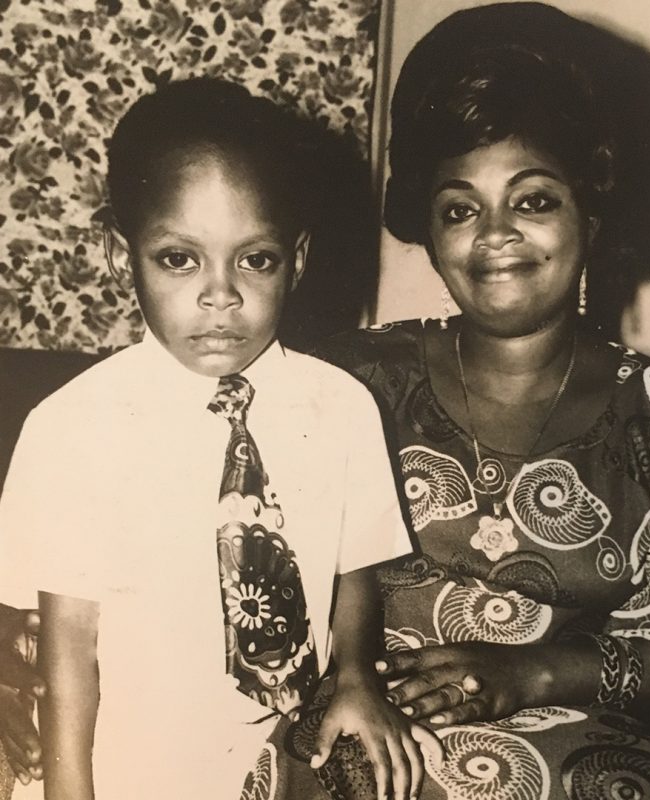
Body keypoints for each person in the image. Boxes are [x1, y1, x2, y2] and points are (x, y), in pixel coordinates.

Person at [285, 3, 650, 799]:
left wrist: (535, 672)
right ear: (428, 227)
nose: (494, 234)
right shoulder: (350, 379)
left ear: (591, 213)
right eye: (459, 208)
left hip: (585, 744)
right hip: (364, 733)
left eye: (533, 200)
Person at [0, 77, 442, 800]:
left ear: (296, 259)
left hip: (285, 739)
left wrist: (358, 678)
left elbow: (354, 569)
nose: (221, 294)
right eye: (179, 258)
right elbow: (69, 649)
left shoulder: (342, 406)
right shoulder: (72, 428)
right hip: (134, 747)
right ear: (122, 257)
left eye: (255, 259)